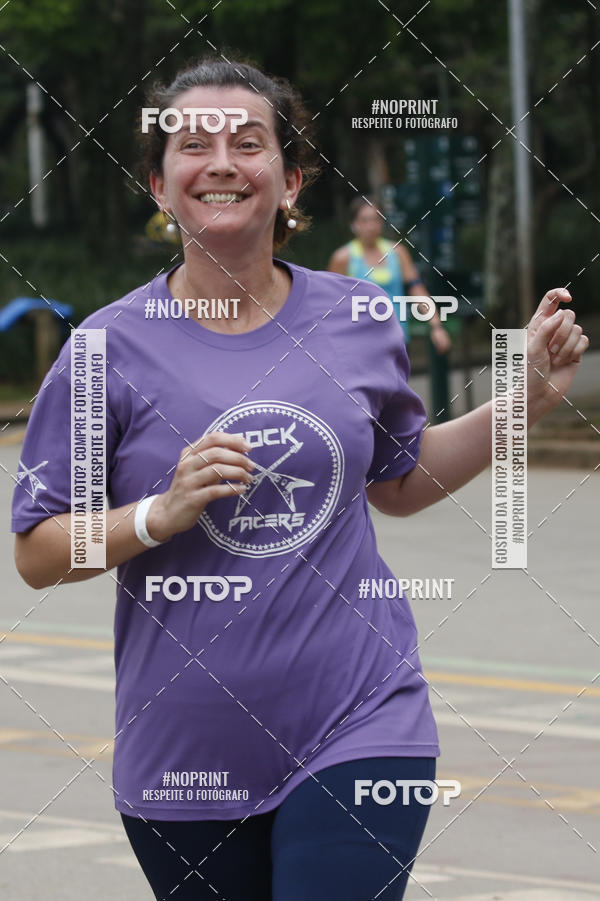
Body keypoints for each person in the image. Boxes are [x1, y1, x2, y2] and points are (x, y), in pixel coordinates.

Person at [11, 56, 589, 901]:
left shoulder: (358, 315)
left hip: (361, 716)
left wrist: (524, 402)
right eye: (192, 145)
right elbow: (38, 550)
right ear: (157, 184)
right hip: (186, 755)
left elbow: (399, 478)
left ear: (291, 181)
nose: (221, 162)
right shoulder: (104, 349)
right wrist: (157, 515)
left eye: (249, 143)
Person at [328, 195, 452, 354]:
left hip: (397, 343)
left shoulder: (397, 252)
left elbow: (416, 289)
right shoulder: (343, 258)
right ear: (354, 224)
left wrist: (436, 326)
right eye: (364, 221)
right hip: (360, 348)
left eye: (376, 220)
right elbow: (331, 305)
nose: (371, 226)